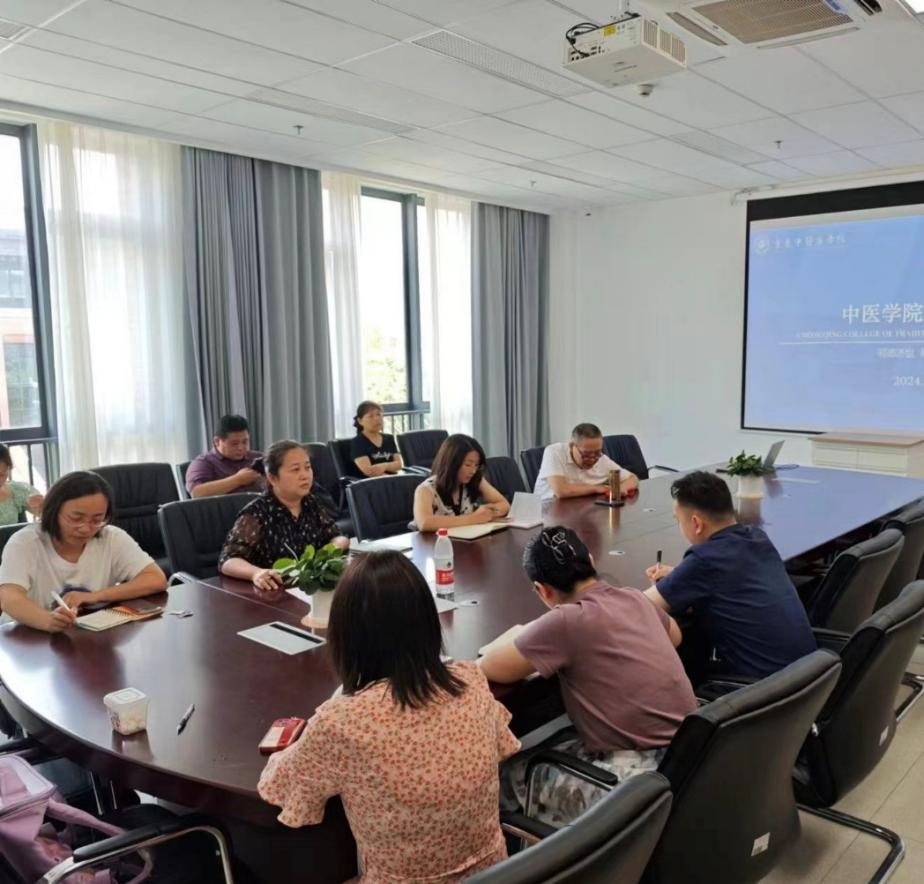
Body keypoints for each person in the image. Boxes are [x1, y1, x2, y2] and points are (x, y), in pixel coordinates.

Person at [258, 551, 520, 882]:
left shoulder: (342, 721)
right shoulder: (470, 680)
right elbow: (499, 746)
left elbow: (276, 787)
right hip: (499, 875)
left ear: (346, 636)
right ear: (427, 622)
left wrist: (303, 739)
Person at [480, 526, 695, 827]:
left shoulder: (566, 620)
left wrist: (538, 634)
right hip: (689, 759)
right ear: (591, 561)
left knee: (506, 774)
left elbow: (490, 667)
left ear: (542, 590)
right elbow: (675, 636)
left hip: (635, 783)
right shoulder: (634, 597)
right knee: (556, 741)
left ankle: (531, 853)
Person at [645, 470, 817, 682]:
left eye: (678, 521)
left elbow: (638, 605)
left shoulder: (704, 559)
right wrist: (678, 575)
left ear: (696, 523)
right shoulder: (757, 537)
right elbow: (731, 576)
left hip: (763, 689)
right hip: (810, 680)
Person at [0, 471, 167, 633]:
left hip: (84, 633)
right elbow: (8, 597)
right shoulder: (25, 542)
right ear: (54, 510)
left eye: (97, 519)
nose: (86, 528)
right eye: (76, 518)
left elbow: (155, 579)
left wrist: (96, 596)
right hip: (25, 636)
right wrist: (48, 620)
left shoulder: (111, 537)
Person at [219, 440, 349, 592]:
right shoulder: (256, 513)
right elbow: (227, 560)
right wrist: (256, 573)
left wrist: (329, 552)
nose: (305, 475)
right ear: (273, 478)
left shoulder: (310, 502)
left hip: (308, 588)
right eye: (295, 470)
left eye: (307, 467)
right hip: (273, 593)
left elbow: (337, 536)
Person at [412, 434, 509, 532]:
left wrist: (487, 514)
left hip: (464, 538)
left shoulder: (474, 480)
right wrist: (474, 518)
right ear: (451, 463)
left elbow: (504, 505)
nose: (473, 471)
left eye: (476, 465)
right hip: (436, 541)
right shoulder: (425, 489)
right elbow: (425, 523)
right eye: (468, 465)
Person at [534, 423, 638, 500]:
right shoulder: (555, 452)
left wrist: (620, 489)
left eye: (597, 452)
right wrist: (597, 488)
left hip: (578, 508)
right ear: (572, 446)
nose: (592, 459)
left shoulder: (601, 459)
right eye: (586, 455)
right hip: (546, 511)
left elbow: (632, 478)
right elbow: (561, 491)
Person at [186, 414, 265, 498]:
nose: (241, 448)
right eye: (234, 444)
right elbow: (196, 493)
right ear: (217, 441)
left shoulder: (258, 457)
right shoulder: (203, 462)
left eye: (245, 442)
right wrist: (238, 480)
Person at [348, 400, 403, 479]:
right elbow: (368, 471)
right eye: (370, 416)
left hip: (392, 480)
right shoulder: (357, 442)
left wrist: (383, 466)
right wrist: (390, 475)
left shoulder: (389, 438)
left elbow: (399, 465)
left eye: (378, 414)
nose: (377, 419)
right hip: (370, 483)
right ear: (360, 421)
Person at [0, 444, 42, 525]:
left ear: (8, 469)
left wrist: (42, 506)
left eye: (2, 474)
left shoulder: (17, 491)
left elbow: (48, 516)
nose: (0, 480)